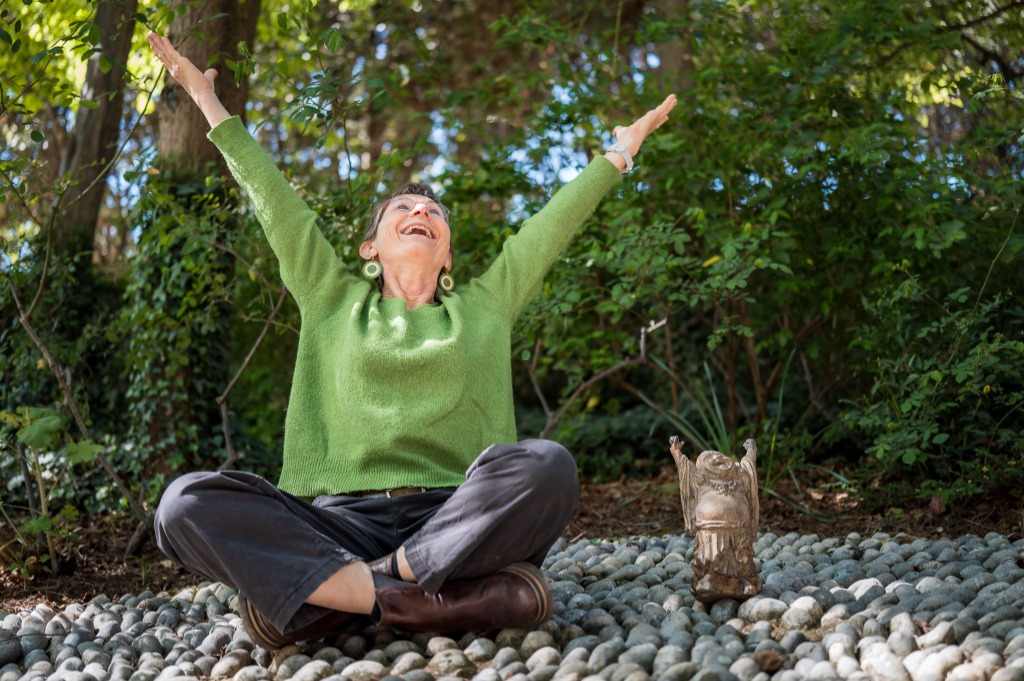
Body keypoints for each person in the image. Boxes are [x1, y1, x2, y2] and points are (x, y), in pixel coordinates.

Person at [146, 31, 676, 649]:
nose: (421, 213)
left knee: (548, 467)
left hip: (455, 517)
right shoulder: (330, 298)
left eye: (434, 213)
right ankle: (436, 602)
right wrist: (209, 101)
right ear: (370, 247)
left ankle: (345, 597)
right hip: (339, 522)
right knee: (183, 505)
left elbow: (550, 227)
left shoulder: (486, 304)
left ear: (448, 252)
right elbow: (275, 202)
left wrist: (618, 155)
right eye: (403, 208)